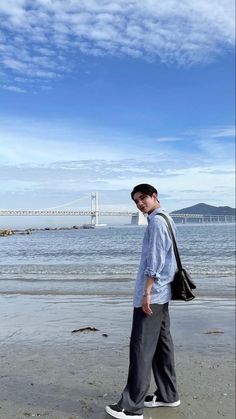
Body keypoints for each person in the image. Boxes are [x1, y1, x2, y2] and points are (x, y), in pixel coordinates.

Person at [105, 184, 180, 419]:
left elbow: (155, 261)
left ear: (154, 196)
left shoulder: (157, 222)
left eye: (143, 198)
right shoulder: (166, 217)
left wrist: (147, 293)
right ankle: (168, 395)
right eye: (136, 200)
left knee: (140, 348)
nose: (139, 203)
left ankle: (132, 407)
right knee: (161, 346)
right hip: (163, 293)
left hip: (152, 296)